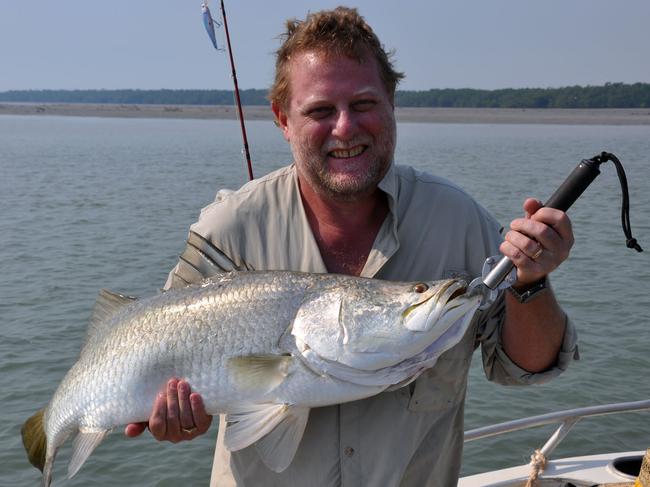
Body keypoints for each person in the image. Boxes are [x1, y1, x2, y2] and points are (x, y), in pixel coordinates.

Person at [125, 6, 578, 486]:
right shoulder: (229, 230)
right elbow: (159, 356)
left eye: (363, 104)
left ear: (391, 103)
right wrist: (171, 413)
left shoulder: (458, 221)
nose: (345, 128)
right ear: (283, 119)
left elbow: (527, 367)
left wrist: (531, 281)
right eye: (320, 110)